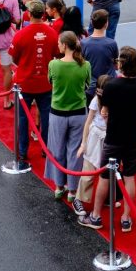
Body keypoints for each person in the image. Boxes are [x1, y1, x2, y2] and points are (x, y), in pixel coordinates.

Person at [78, 47, 136, 232]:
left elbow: (105, 110)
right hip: (134, 138)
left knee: (104, 177)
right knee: (129, 177)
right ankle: (126, 218)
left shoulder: (111, 86)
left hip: (113, 138)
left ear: (122, 64)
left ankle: (96, 216)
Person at [9, 0, 58, 174]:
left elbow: (14, 58)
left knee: (22, 118)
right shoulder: (52, 33)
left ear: (29, 14)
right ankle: (46, 149)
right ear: (43, 13)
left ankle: (22, 152)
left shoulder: (21, 34)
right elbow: (56, 54)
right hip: (45, 82)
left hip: (24, 83)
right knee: (46, 116)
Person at [46, 31, 91, 213]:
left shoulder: (54, 64)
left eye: (59, 43)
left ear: (65, 45)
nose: (58, 45)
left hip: (58, 112)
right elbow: (87, 85)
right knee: (75, 151)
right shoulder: (85, 65)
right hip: (79, 113)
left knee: (57, 149)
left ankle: (59, 186)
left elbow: (51, 82)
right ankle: (73, 189)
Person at [80, 9, 118, 101]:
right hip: (109, 86)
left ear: (92, 23)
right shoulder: (112, 43)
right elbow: (116, 65)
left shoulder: (84, 43)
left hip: (90, 87)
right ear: (106, 24)